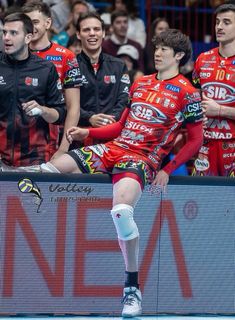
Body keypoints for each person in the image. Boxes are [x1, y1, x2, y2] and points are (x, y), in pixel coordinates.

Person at [39, 29, 203, 316]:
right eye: (157, 47)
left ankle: (131, 289)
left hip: (142, 159)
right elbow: (119, 127)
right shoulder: (140, 84)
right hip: (114, 148)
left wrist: (168, 169)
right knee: (49, 170)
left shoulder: (188, 93)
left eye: (165, 49)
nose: (158, 52)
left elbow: (196, 140)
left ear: (178, 56)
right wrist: (87, 131)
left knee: (122, 212)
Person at [0, 12, 66, 167]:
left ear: (28, 38)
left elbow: (60, 114)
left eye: (13, 33)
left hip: (33, 158)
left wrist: (43, 110)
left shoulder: (45, 68)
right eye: (4, 32)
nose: (6, 38)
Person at [22, 0, 81, 159]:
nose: (31, 27)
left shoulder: (66, 56)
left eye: (35, 22)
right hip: (16, 142)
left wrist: (63, 149)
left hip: (50, 142)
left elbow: (73, 107)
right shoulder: (14, 54)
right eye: (26, 23)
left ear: (48, 23)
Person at [192, 2, 235, 176]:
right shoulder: (202, 59)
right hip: (205, 146)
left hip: (233, 146)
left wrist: (220, 110)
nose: (219, 27)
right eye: (218, 22)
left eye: (226, 22)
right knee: (203, 199)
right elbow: (194, 99)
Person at [75, 12, 130, 142]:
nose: (92, 33)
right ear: (78, 34)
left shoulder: (119, 65)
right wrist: (89, 117)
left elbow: (125, 99)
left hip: (113, 136)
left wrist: (110, 119)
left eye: (97, 29)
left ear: (103, 33)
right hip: (80, 137)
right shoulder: (70, 65)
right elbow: (64, 103)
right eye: (86, 30)